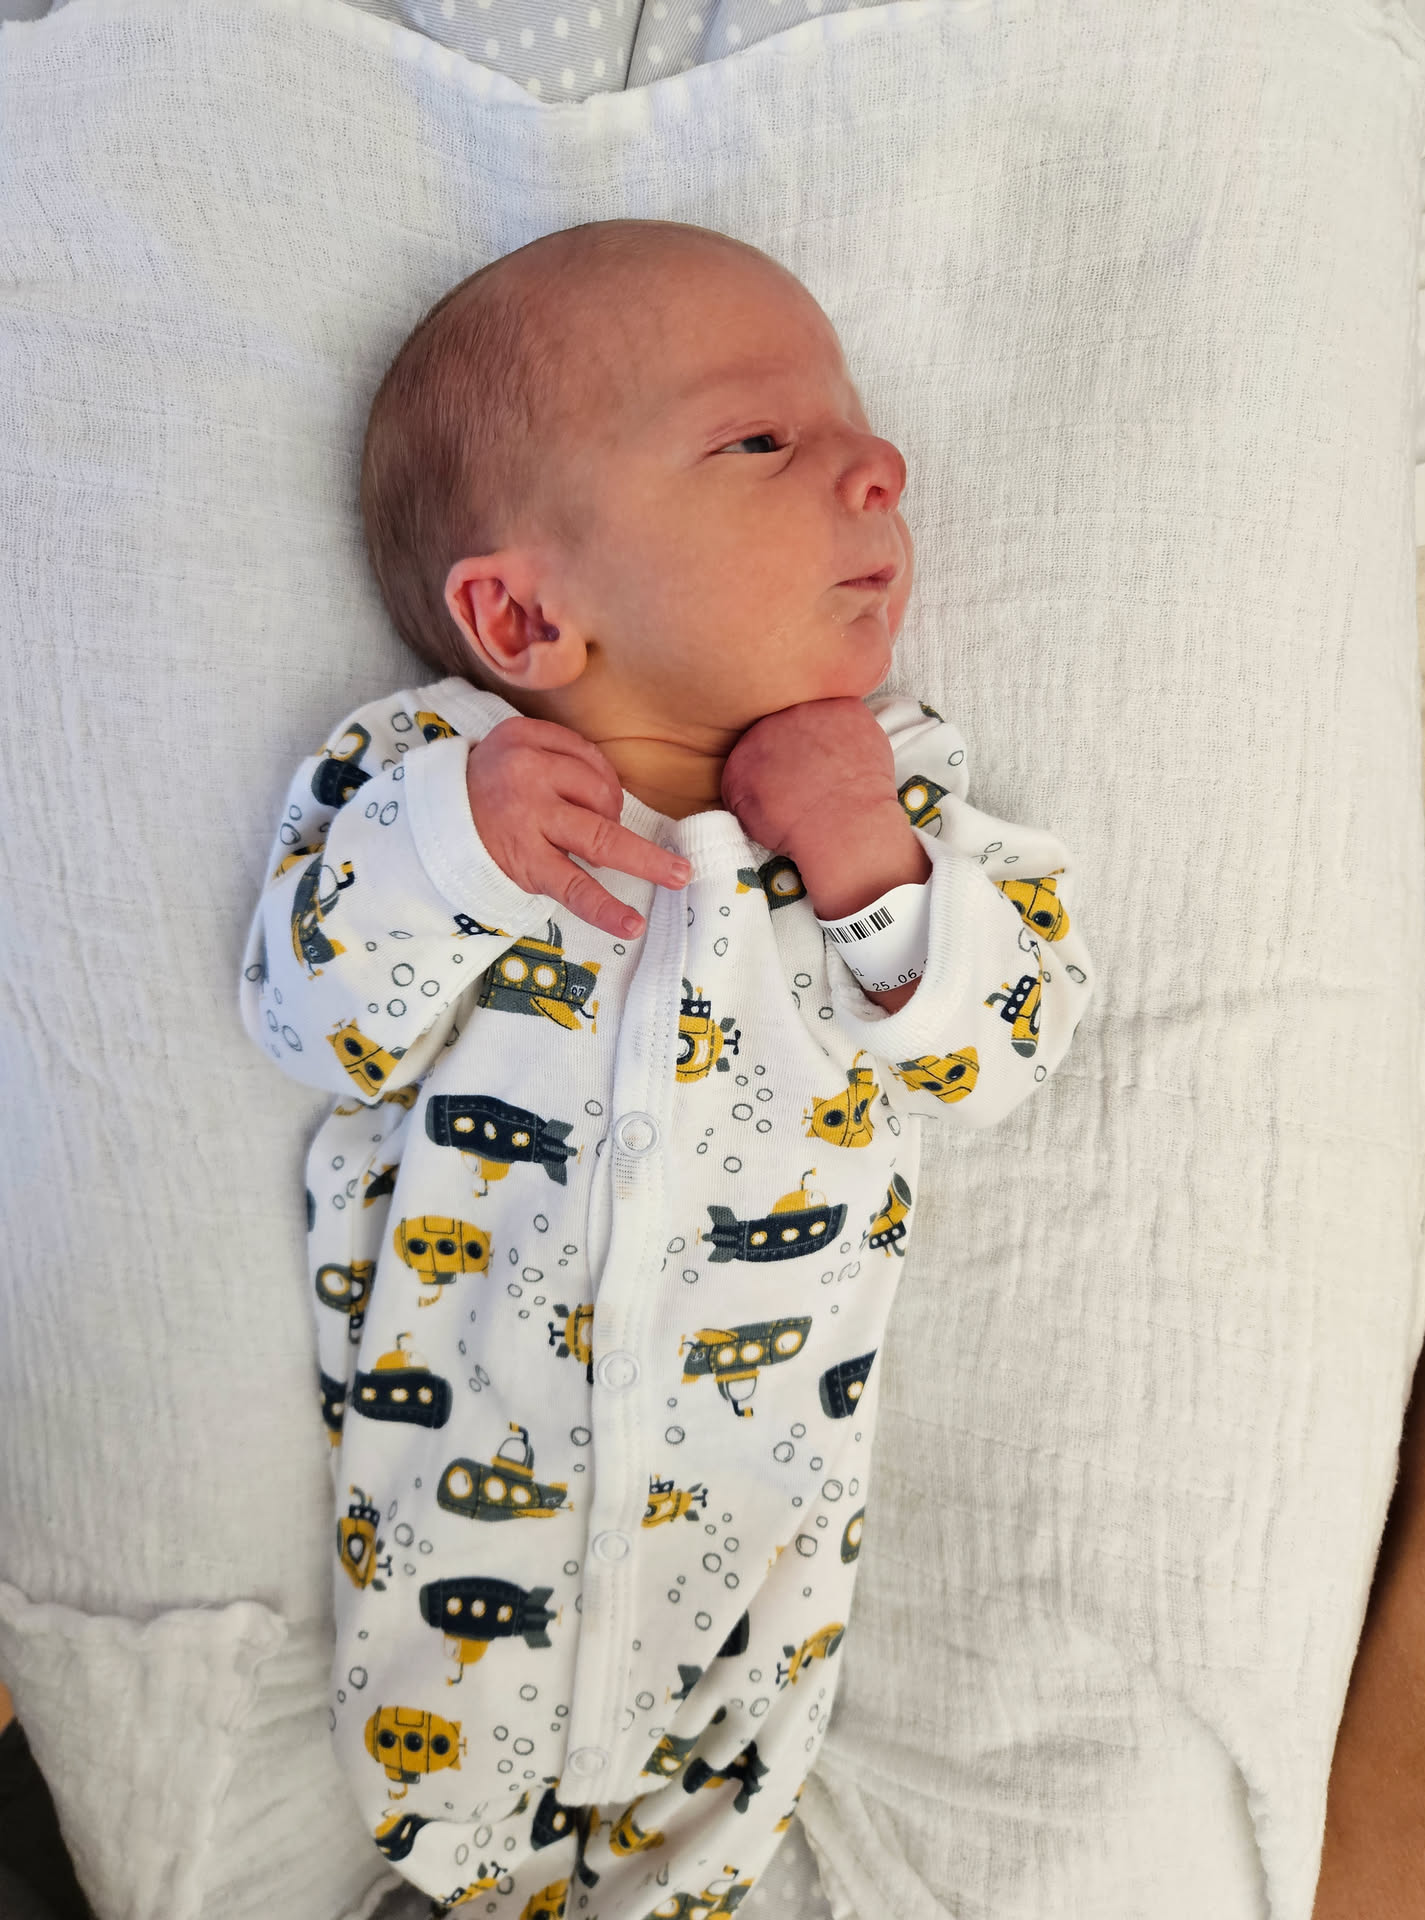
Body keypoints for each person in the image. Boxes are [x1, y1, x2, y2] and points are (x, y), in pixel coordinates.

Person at [237, 216, 1096, 1917]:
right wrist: (455, 850)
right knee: (449, 1822)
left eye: (856, 427)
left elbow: (1006, 1050)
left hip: (754, 1520)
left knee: (701, 1858)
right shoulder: (429, 780)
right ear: (520, 612)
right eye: (762, 439)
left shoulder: (901, 800)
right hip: (456, 1488)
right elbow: (308, 1016)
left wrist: (870, 868)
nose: (880, 469)